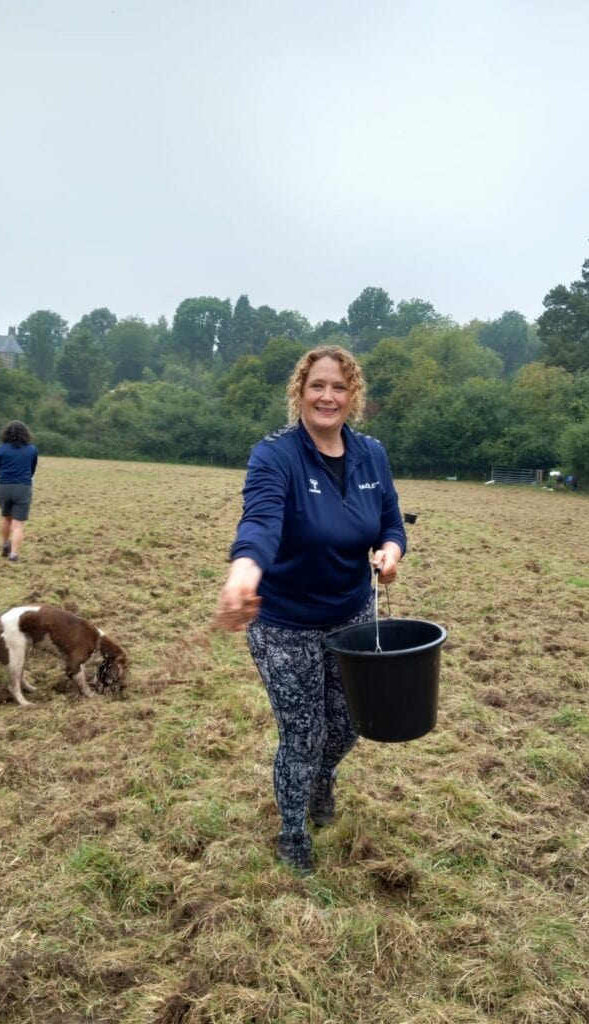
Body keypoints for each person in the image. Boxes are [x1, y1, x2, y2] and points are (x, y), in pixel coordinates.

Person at [215, 345, 407, 874]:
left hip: (351, 614)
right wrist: (244, 572)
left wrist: (391, 552)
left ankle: (322, 778)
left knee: (348, 725)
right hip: (285, 622)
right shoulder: (276, 454)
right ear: (299, 392)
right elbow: (261, 521)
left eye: (339, 387)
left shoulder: (372, 454)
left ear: (353, 397)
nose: (328, 396)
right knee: (303, 733)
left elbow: (391, 523)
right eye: (317, 385)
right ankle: (293, 829)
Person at [0, 420, 38, 563]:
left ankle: (5, 544)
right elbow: (32, 470)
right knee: (18, 524)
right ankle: (14, 554)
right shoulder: (32, 449)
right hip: (23, 487)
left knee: (6, 517)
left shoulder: (1, 448)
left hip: (4, 487)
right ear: (26, 434)